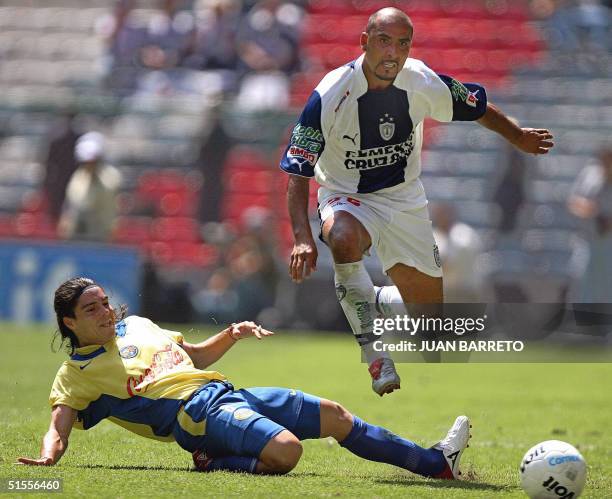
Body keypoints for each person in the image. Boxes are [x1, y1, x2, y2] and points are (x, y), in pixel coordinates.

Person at [280, 7, 554, 395]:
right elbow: (297, 170)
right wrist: (303, 237)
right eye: (384, 41)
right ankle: (375, 355)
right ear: (364, 42)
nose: (393, 52)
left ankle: (367, 298)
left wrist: (517, 135)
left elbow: (476, 107)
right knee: (342, 237)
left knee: (431, 328)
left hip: (404, 202)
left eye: (403, 43)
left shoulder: (421, 81)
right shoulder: (330, 93)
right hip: (347, 196)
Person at [18, 277, 470, 479]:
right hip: (195, 416)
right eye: (90, 308)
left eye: (103, 301)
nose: (103, 311)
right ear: (69, 322)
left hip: (225, 393)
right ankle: (212, 461)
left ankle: (437, 464)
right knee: (287, 452)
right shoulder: (76, 373)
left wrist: (232, 333)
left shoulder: (136, 324)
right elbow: (59, 425)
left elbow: (192, 356)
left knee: (337, 416)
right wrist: (47, 458)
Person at [57, 132, 122, 242]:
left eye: (92, 162)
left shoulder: (110, 177)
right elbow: (70, 204)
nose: (88, 165)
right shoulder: (77, 177)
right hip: (75, 236)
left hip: (101, 236)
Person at [567, 146, 612, 302]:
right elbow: (574, 202)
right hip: (588, 240)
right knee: (582, 283)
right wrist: (591, 210)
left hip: (609, 243)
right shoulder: (590, 174)